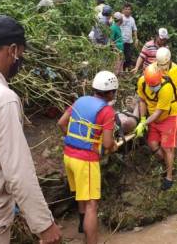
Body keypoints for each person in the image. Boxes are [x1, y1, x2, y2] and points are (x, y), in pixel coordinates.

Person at [0, 15, 61, 244]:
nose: (19, 60)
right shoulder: (3, 99)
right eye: (20, 53)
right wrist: (44, 224)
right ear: (12, 50)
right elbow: (18, 173)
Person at [58, 71, 118, 244]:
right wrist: (112, 145)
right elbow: (107, 144)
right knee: (92, 204)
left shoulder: (80, 100)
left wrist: (74, 141)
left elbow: (61, 123)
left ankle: (81, 226)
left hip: (68, 156)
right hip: (86, 161)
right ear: (111, 92)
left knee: (81, 195)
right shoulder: (107, 111)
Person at [135, 64, 177, 190]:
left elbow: (159, 112)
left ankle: (169, 176)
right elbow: (142, 100)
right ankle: (167, 164)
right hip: (153, 118)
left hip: (169, 116)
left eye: (156, 85)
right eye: (152, 85)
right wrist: (142, 119)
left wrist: (144, 123)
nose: (154, 87)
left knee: (167, 148)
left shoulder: (166, 88)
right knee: (152, 144)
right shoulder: (142, 82)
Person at [120, 2, 138, 71]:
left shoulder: (132, 19)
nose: (127, 10)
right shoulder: (120, 17)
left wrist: (136, 39)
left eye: (129, 9)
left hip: (128, 41)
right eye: (126, 9)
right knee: (120, 57)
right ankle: (120, 70)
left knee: (128, 57)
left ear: (131, 11)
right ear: (123, 10)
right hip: (120, 41)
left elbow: (134, 29)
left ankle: (125, 70)